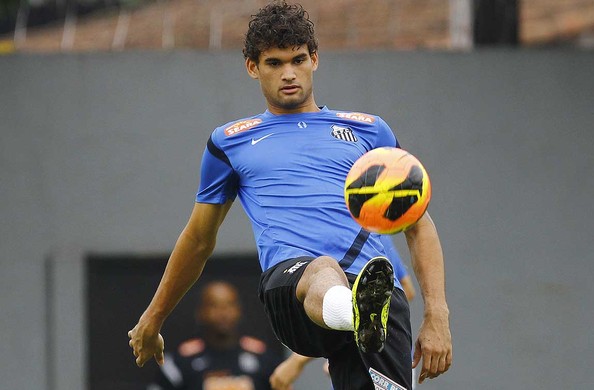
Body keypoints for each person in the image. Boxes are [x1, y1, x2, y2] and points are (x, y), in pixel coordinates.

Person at [128, 2, 452, 389]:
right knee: (323, 269)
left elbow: (417, 224)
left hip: (378, 295)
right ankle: (354, 311)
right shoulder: (230, 143)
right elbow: (198, 240)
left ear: (314, 59)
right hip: (294, 284)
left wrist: (438, 315)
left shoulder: (369, 132)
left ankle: (363, 311)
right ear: (252, 67)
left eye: (298, 60)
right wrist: (153, 317)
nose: (289, 74)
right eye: (274, 63)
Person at [269, 235, 417, 390]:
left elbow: (404, 288)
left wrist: (298, 360)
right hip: (356, 343)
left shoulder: (372, 233)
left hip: (384, 348)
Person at [147, 281, 281, 390]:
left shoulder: (264, 359)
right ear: (201, 312)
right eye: (214, 306)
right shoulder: (180, 362)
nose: (223, 313)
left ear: (239, 311)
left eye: (229, 305)